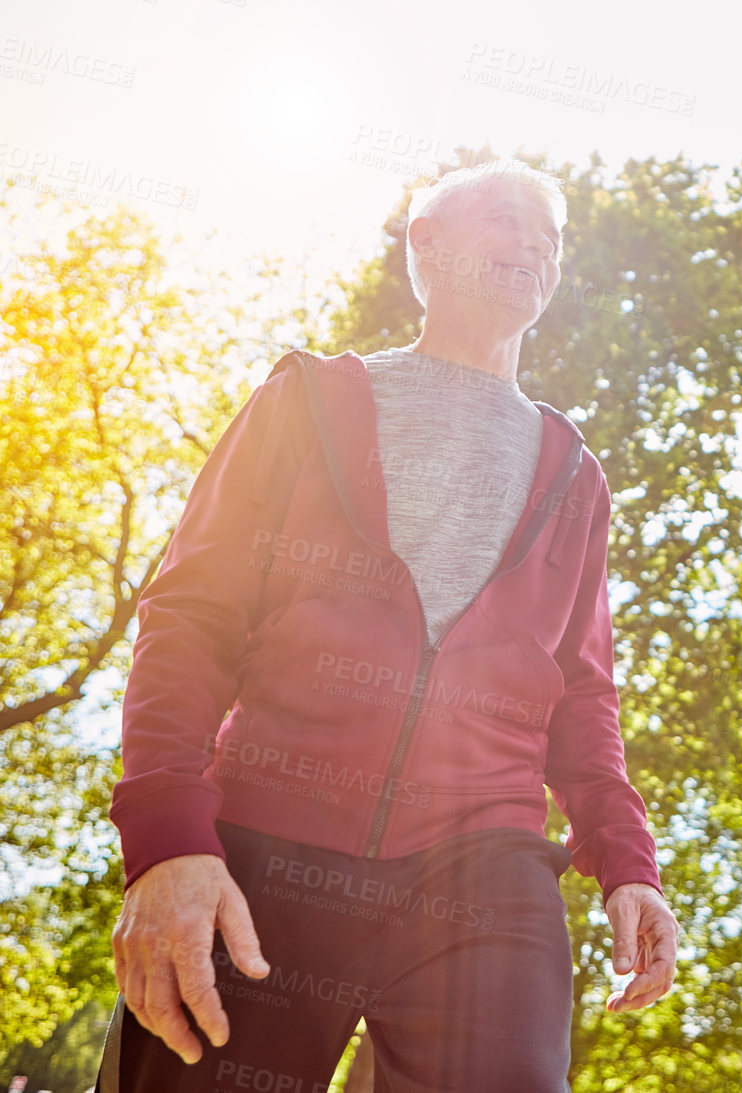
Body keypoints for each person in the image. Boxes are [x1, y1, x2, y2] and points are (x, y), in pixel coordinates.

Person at [98, 159, 678, 1092]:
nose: (533, 243)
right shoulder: (308, 401)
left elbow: (581, 697)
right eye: (505, 218)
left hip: (481, 872)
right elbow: (190, 618)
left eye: (551, 236)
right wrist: (165, 845)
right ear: (428, 246)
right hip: (264, 847)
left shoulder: (575, 472)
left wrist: (627, 864)